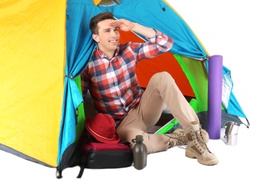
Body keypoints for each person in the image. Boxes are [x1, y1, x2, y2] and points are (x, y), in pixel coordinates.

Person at [80, 11, 218, 166]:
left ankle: (196, 139)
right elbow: (81, 97)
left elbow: (165, 43)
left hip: (143, 108)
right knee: (140, 145)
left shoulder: (129, 50)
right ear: (96, 37)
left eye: (115, 29)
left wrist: (134, 26)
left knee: (162, 77)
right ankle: (181, 138)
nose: (114, 34)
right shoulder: (87, 65)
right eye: (107, 31)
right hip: (122, 124)